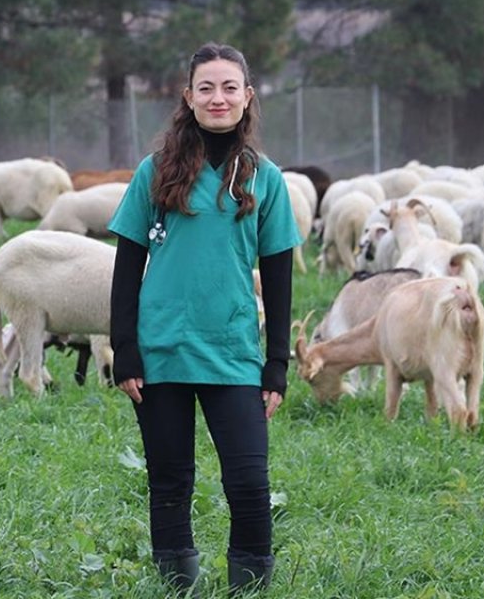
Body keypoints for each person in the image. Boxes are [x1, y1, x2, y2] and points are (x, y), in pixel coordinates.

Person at [106, 42, 301, 594]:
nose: (219, 98)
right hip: (162, 349)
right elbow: (127, 265)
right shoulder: (154, 172)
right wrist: (125, 349)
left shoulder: (265, 178)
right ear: (188, 97)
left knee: (249, 483)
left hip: (233, 351)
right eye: (207, 88)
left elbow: (279, 275)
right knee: (170, 482)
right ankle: (177, 586)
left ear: (248, 96)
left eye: (229, 87)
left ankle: (249, 587)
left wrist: (277, 362)